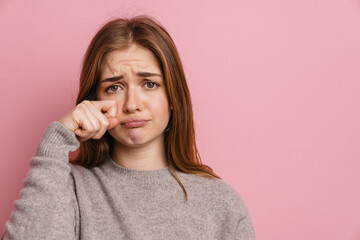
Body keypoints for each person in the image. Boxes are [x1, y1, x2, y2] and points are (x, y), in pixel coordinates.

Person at [2, 15, 256, 239]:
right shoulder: (65, 188)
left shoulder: (222, 205)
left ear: (173, 96)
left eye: (149, 84)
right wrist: (55, 142)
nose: (132, 105)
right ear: (93, 101)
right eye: (114, 87)